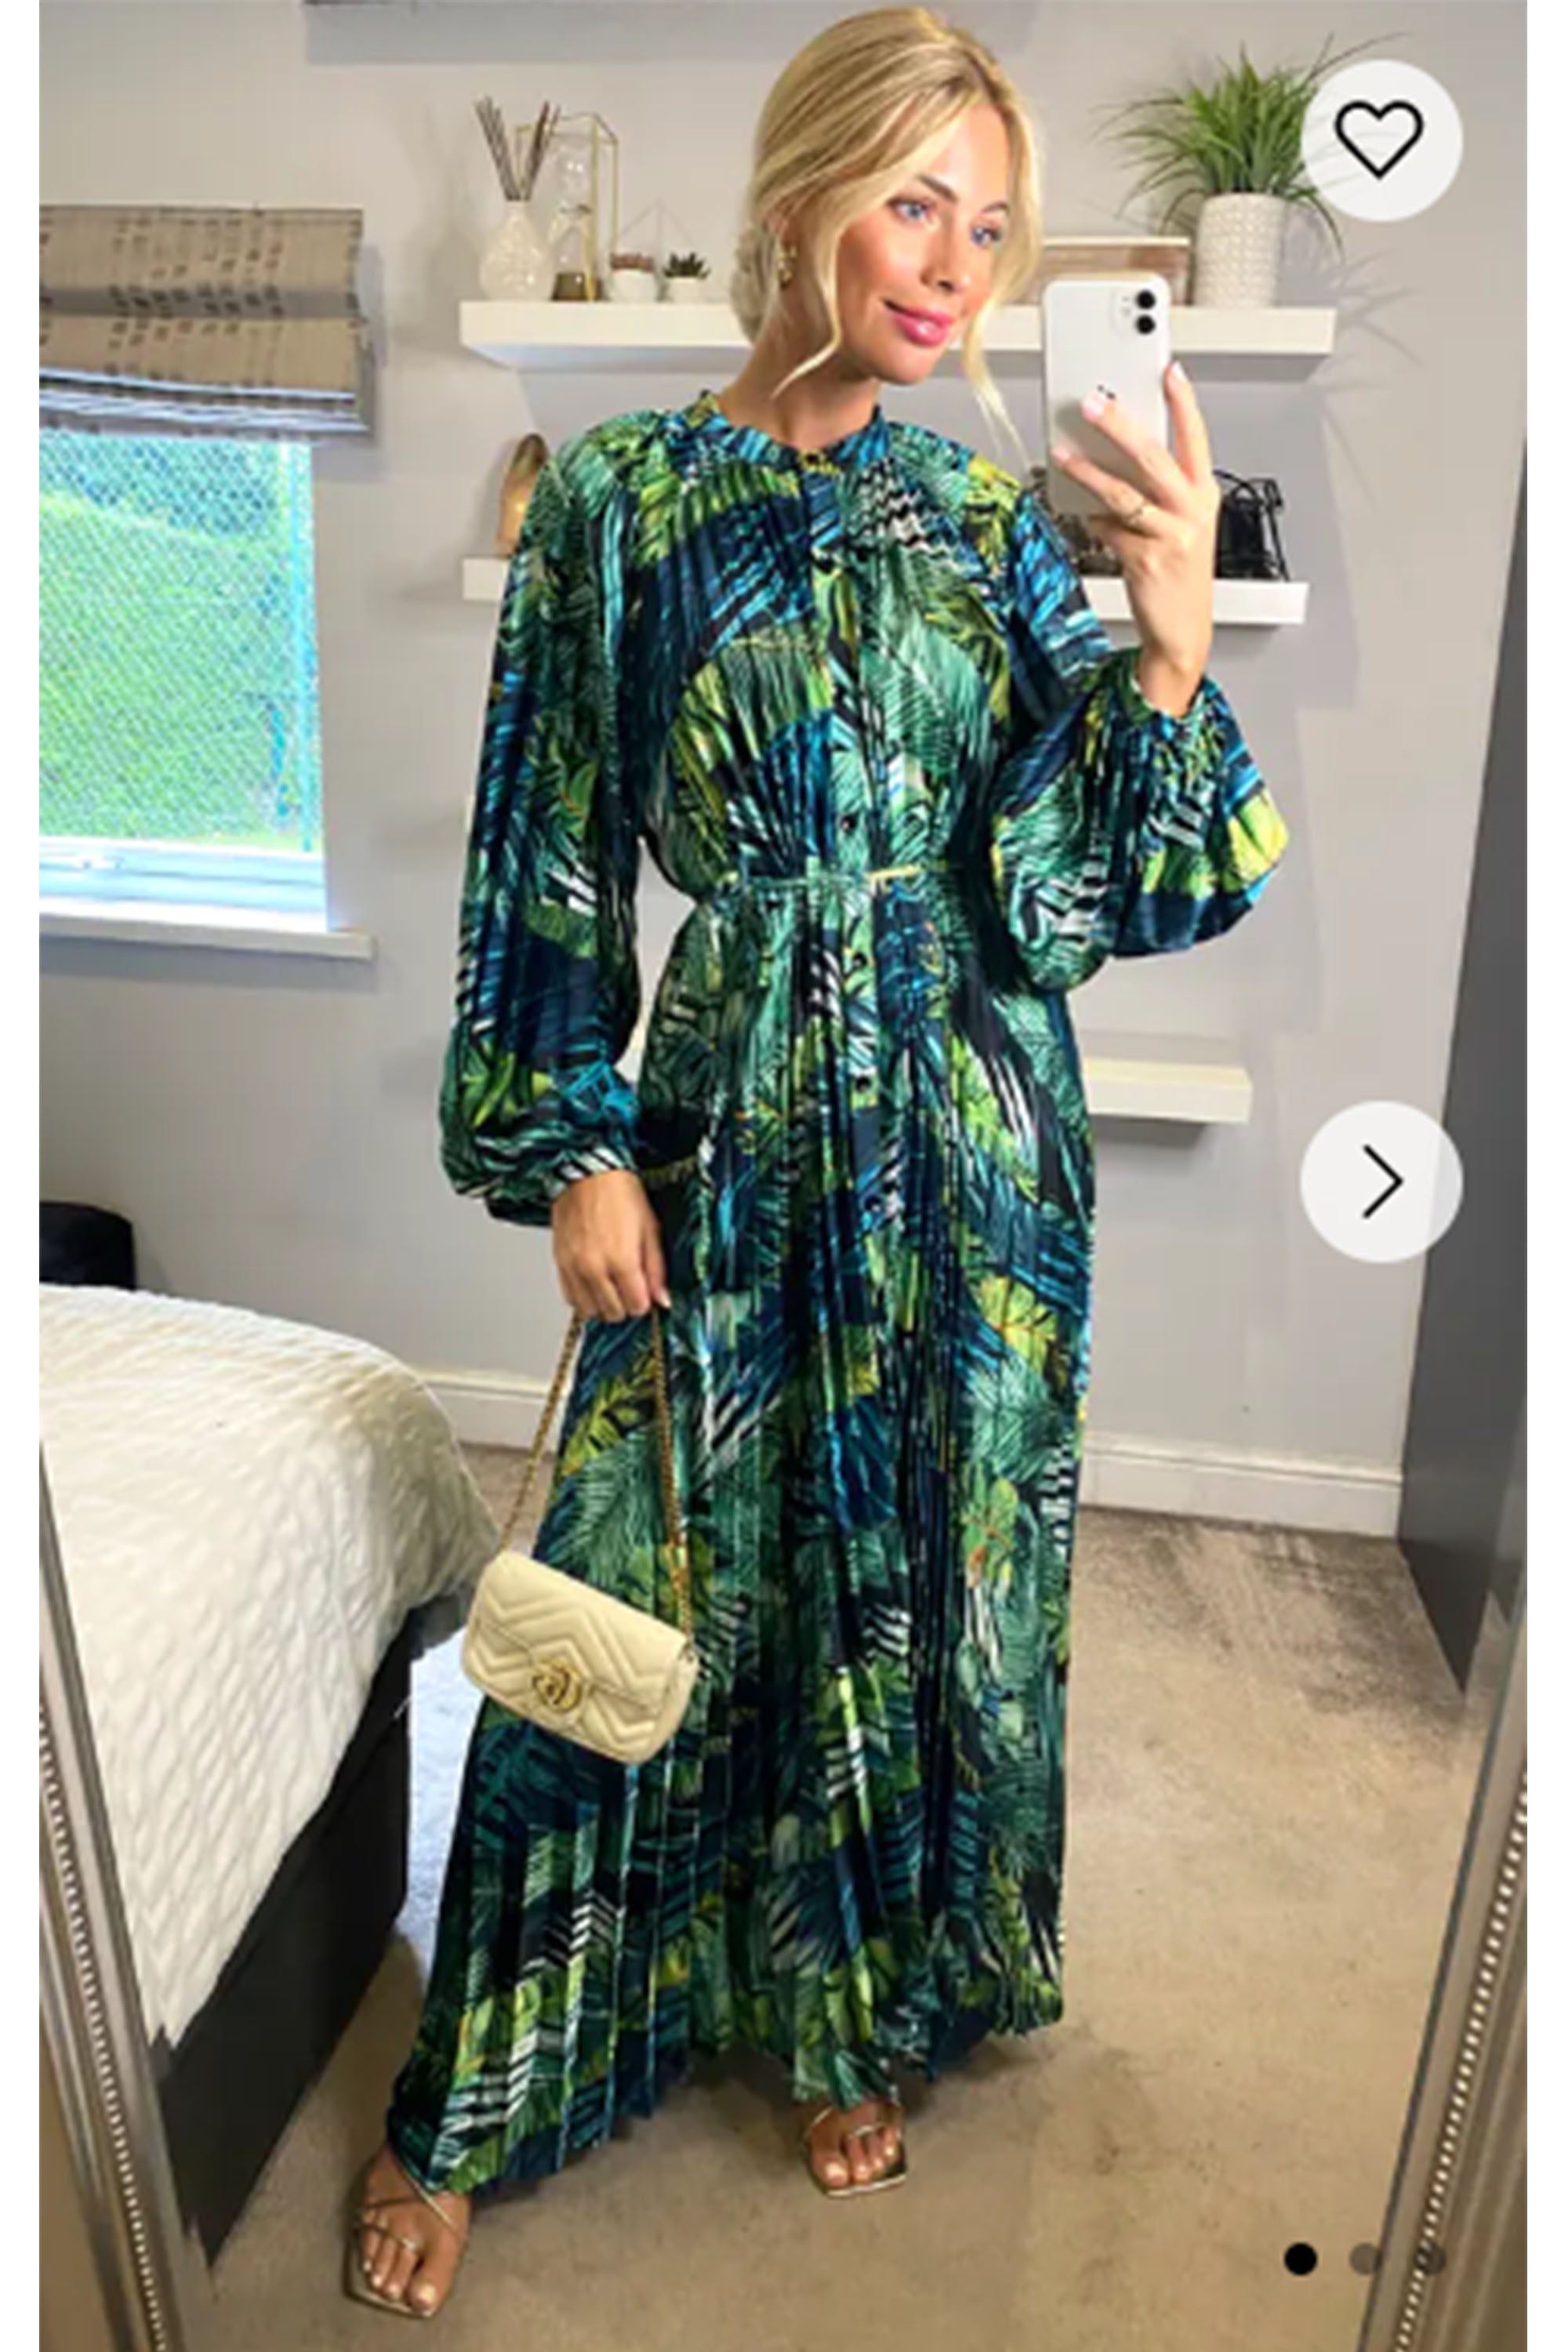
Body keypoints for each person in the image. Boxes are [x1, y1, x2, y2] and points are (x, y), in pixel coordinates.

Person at [347, 3, 1289, 2318]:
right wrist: (576, 1148)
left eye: (992, 222)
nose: (954, 261)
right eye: (912, 202)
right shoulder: (620, 505)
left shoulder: (987, 524)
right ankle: (480, 2091)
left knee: (924, 1590)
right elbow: (545, 859)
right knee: (625, 1588)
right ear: (803, 204)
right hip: (729, 1127)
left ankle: (856, 2010)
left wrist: (1169, 653)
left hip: (976, 1147)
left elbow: (1064, 895)